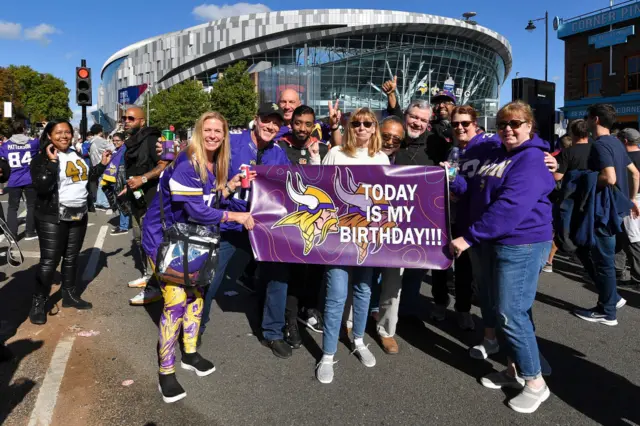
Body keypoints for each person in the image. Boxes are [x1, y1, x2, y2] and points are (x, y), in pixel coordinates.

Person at [449, 101, 555, 414]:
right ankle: (514, 370)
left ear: (529, 126)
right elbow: (474, 187)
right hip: (497, 242)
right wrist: (452, 177)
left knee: (511, 312)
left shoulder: (532, 159)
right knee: (504, 307)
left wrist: (468, 237)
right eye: (503, 124)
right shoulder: (499, 153)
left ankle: (535, 383)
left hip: (521, 243)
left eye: (516, 123)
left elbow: (510, 207)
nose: (508, 129)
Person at [142, 111, 255, 403]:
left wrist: (232, 185)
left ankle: (189, 354)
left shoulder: (214, 161)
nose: (214, 135)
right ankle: (166, 371)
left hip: (194, 240)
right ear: (198, 131)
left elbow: (209, 199)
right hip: (164, 240)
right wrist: (236, 215)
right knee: (176, 300)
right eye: (208, 130)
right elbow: (195, 210)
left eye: (219, 131)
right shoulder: (187, 161)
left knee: (197, 295)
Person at [199, 103, 289, 351]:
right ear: (255, 119)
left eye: (275, 123)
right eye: (266, 120)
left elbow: (289, 187)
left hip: (264, 227)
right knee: (210, 276)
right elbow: (207, 176)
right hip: (231, 222)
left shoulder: (278, 153)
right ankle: (197, 327)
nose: (270, 126)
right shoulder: (232, 142)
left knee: (278, 277)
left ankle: (273, 332)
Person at [316, 107, 389, 384]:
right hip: (338, 236)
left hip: (367, 237)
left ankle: (358, 340)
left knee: (363, 289)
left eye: (367, 123)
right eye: (356, 123)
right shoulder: (336, 153)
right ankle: (327, 353)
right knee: (335, 295)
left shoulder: (381, 157)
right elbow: (323, 189)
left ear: (374, 128)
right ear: (349, 127)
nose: (361, 127)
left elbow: (388, 199)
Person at [28, 119, 112, 325]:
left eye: (67, 132)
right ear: (49, 135)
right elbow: (42, 187)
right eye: (58, 132)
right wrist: (52, 162)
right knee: (49, 262)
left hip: (78, 214)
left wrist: (101, 165)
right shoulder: (40, 158)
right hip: (51, 216)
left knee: (72, 258)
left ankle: (69, 295)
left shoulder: (76, 154)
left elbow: (86, 178)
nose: (64, 136)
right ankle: (38, 302)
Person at [573, 104, 640, 326]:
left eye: (587, 116)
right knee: (604, 257)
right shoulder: (617, 143)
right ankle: (612, 298)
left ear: (595, 119)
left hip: (602, 209)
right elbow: (635, 173)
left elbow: (609, 178)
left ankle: (607, 311)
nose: (586, 120)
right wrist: (630, 199)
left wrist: (585, 178)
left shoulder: (600, 145)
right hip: (614, 208)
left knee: (603, 261)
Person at [275, 105, 329, 348]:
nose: (303, 128)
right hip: (288, 225)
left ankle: (308, 310)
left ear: (314, 125)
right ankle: (290, 321)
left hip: (315, 223)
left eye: (308, 124)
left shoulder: (322, 148)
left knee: (315, 272)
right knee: (293, 275)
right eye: (298, 123)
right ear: (291, 123)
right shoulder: (280, 147)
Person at [367, 115, 406, 354]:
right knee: (360, 280)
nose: (390, 141)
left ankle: (386, 331)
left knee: (393, 284)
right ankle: (352, 324)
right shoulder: (363, 156)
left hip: (396, 233)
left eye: (396, 138)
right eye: (386, 135)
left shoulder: (408, 161)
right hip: (365, 228)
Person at [123, 106, 169, 305]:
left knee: (152, 242)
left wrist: (143, 178)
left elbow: (163, 164)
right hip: (136, 197)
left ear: (142, 121)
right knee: (139, 239)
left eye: (131, 118)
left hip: (151, 198)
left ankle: (155, 286)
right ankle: (148, 275)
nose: (126, 121)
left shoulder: (151, 139)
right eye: (124, 118)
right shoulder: (131, 143)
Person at [0, 121, 39, 240]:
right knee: (31, 205)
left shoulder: (5, 146)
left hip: (14, 178)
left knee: (13, 207)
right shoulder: (33, 143)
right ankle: (29, 232)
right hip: (29, 177)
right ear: (23, 129)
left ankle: (12, 234)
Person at [616, 128, 640, 289]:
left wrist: (631, 199)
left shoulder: (624, 159)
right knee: (626, 238)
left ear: (624, 141)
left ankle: (637, 277)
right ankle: (620, 271)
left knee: (633, 239)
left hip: (630, 201)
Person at [102, 132, 130, 236]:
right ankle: (124, 224)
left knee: (122, 200)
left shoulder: (125, 150)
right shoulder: (116, 151)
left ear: (123, 141)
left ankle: (124, 226)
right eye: (114, 140)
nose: (115, 142)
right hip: (116, 176)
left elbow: (126, 166)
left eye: (117, 140)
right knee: (119, 200)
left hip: (122, 177)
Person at [88, 124, 115, 210]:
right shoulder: (101, 141)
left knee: (100, 182)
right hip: (103, 163)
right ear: (100, 131)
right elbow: (113, 148)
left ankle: (100, 201)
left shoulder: (91, 141)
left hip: (95, 164)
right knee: (103, 183)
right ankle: (102, 202)